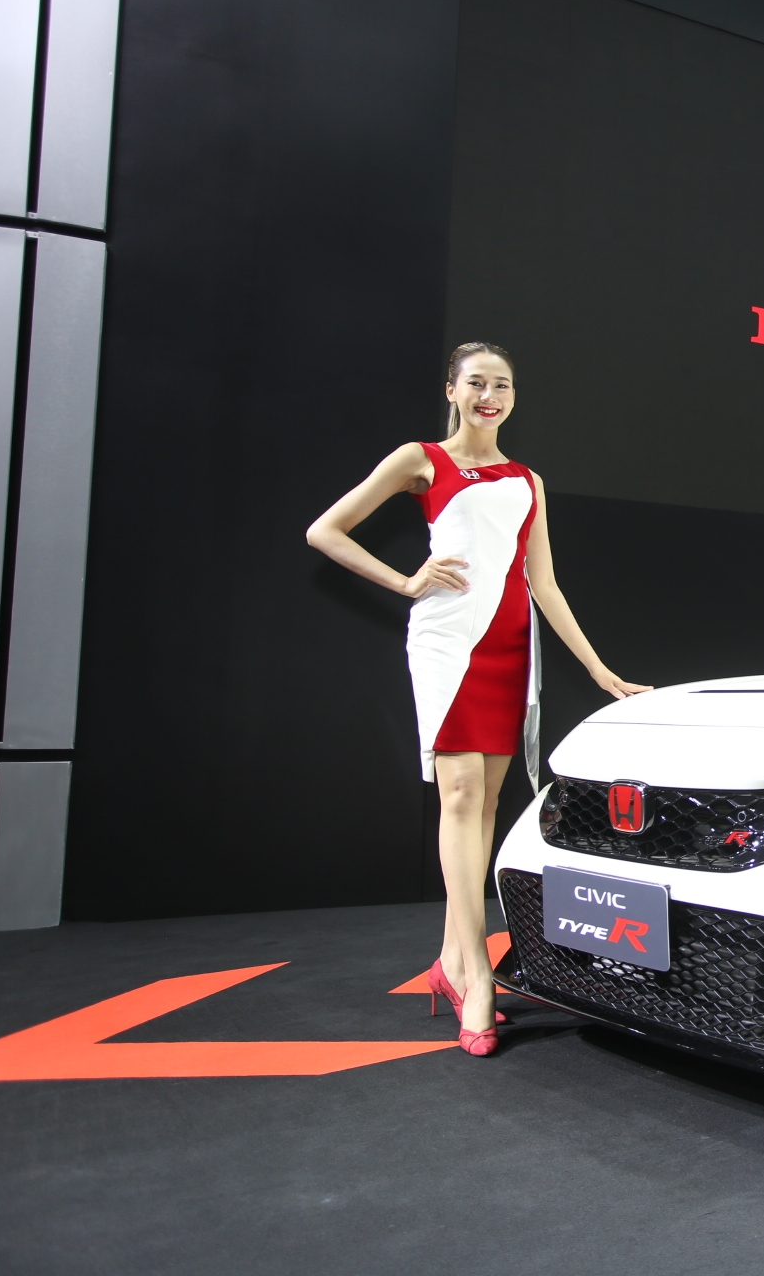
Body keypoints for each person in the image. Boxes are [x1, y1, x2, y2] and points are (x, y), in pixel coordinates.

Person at [306, 342, 650, 1056]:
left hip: (510, 645)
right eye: (477, 384)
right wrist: (405, 581)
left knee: (486, 803)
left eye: (503, 386)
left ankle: (451, 961)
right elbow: (325, 531)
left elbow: (543, 583)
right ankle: (478, 979)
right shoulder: (422, 459)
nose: (490, 396)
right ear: (452, 391)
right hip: (448, 642)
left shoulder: (528, 480)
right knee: (461, 797)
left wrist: (597, 669)